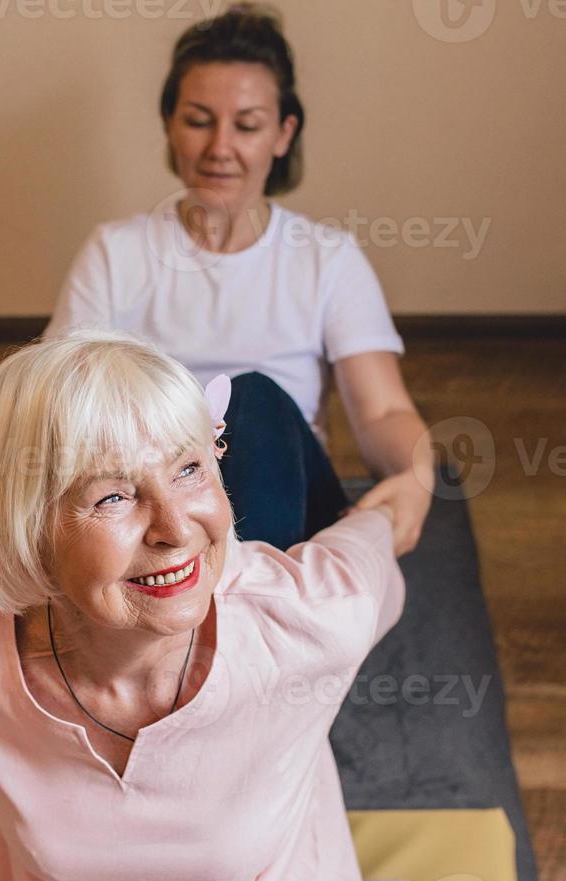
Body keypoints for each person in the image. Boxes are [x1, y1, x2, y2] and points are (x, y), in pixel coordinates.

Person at [0, 332, 410, 881]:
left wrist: (404, 497)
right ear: (28, 529)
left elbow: (373, 552)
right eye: (112, 495)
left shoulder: (311, 617)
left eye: (189, 467)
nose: (174, 526)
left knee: (256, 407)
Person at [44, 3, 434, 555]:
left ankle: (231, 604)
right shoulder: (115, 252)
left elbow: (383, 411)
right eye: (199, 120)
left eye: (247, 125)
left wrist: (417, 477)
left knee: (247, 401)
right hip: (150, 498)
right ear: (170, 125)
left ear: (282, 134)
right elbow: (60, 402)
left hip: (283, 506)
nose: (220, 147)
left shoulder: (328, 258)